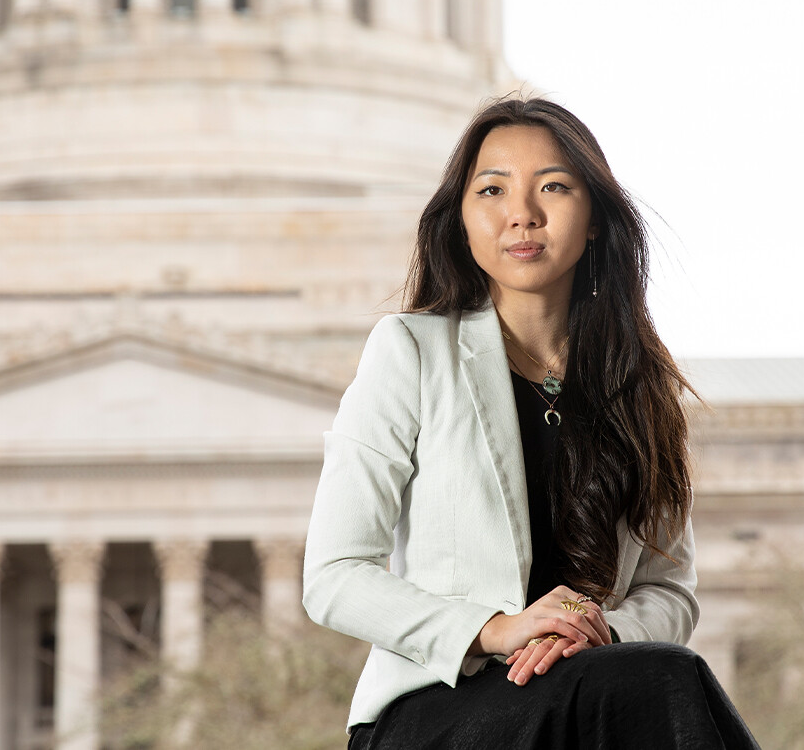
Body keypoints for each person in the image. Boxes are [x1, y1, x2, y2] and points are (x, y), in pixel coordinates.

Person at [301, 97, 760, 749]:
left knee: (651, 678)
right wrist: (495, 628)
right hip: (442, 706)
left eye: (553, 186)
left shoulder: (640, 385)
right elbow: (334, 577)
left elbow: (670, 591)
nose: (523, 213)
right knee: (668, 679)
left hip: (589, 689)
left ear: (596, 218)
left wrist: (598, 629)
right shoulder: (411, 351)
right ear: (461, 221)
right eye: (492, 189)